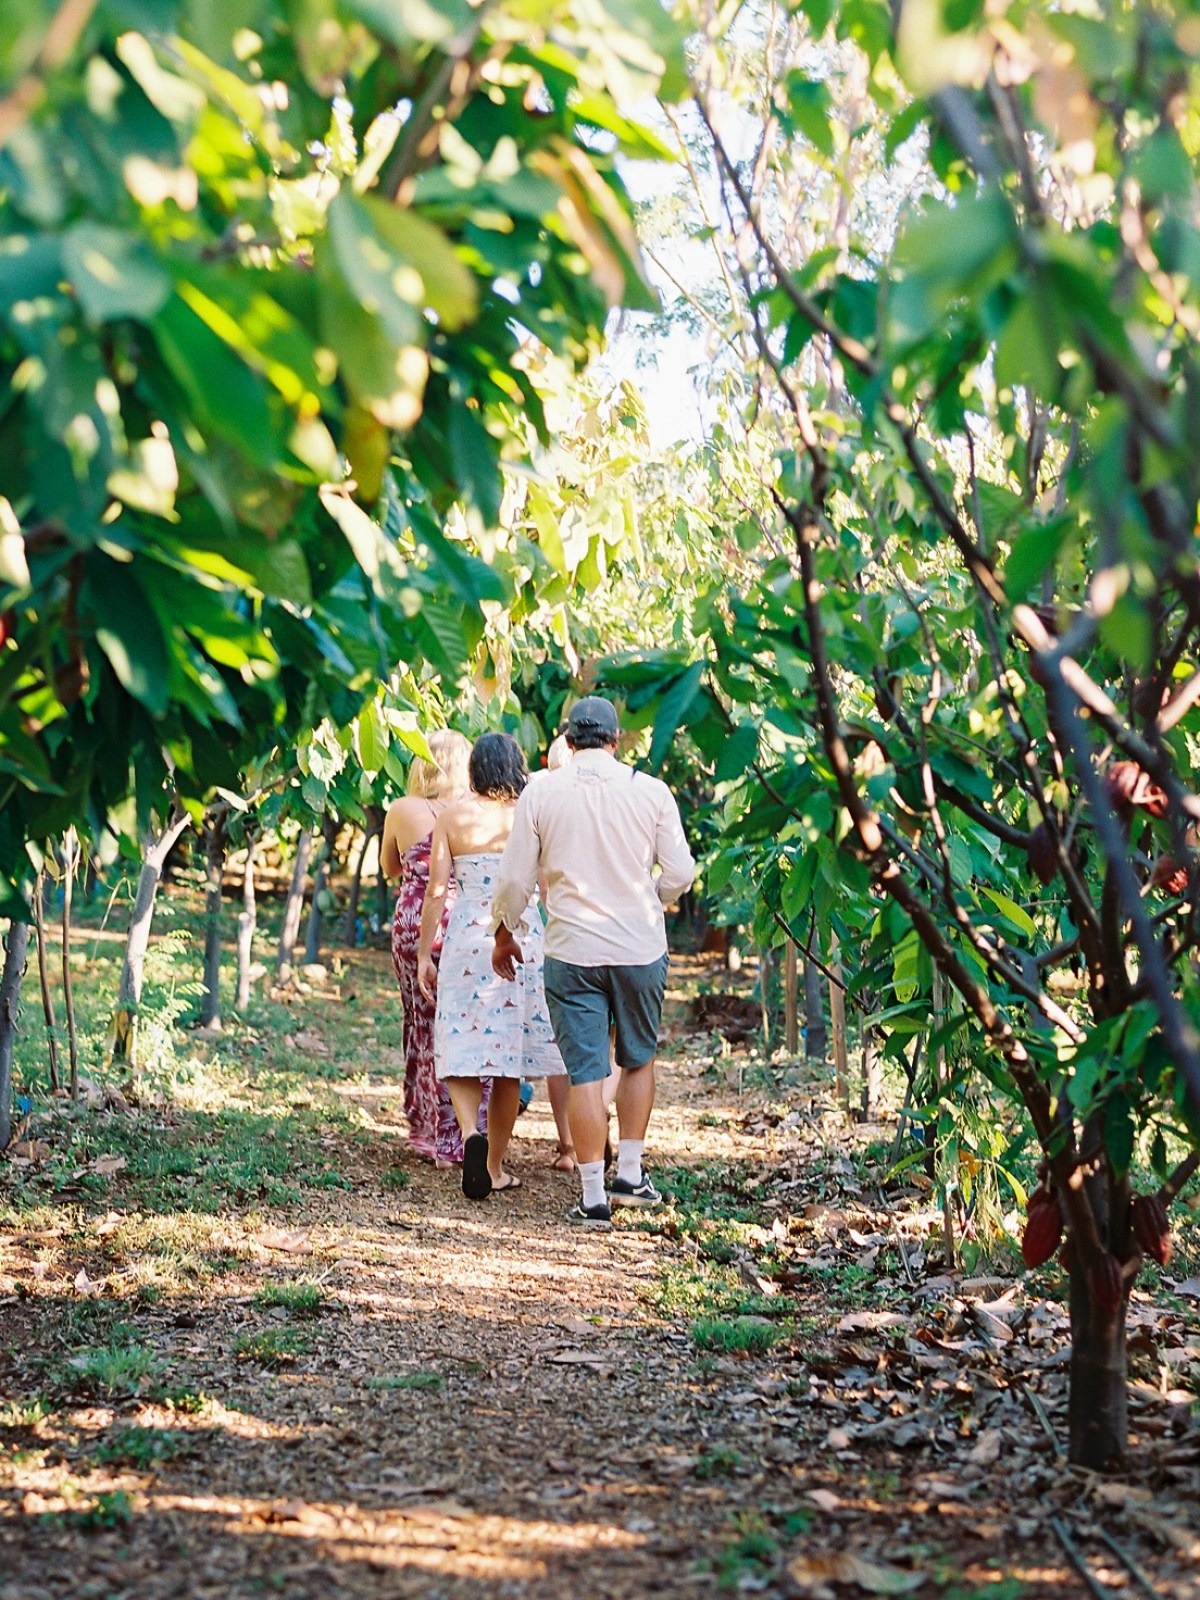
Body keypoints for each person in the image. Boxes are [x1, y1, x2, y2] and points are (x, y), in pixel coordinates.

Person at [490, 695, 695, 1229]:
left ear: (566, 738)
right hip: (638, 946)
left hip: (572, 949)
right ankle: (629, 1173)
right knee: (638, 1058)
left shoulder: (540, 792)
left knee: (585, 1073)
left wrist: (504, 933)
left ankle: (593, 1197)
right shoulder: (651, 792)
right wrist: (651, 895)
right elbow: (681, 872)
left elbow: (514, 878)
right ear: (616, 739)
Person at [417, 732, 565, 1200]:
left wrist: (425, 953)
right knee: (509, 1059)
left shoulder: (453, 816)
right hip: (521, 939)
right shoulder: (530, 814)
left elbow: (437, 890)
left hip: (467, 938)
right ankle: (495, 1166)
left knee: (461, 1042)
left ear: (474, 770)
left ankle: (469, 1136)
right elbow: (544, 882)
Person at [381, 729, 473, 1168]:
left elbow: (389, 866)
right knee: (464, 1027)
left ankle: (426, 1129)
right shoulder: (473, 812)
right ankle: (465, 1129)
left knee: (420, 1023)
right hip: (462, 925)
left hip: (413, 923)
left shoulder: (402, 810)